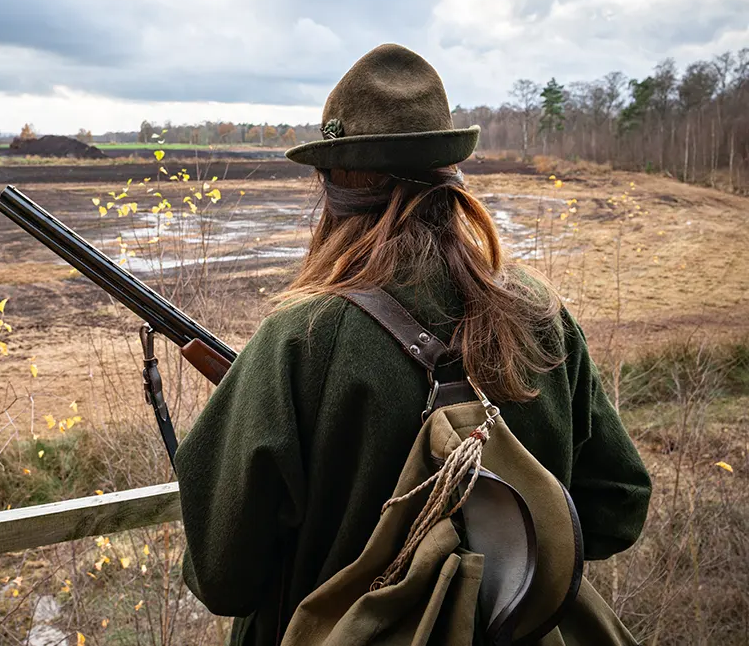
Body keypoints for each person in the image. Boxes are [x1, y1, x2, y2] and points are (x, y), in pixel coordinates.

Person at [174, 44, 651, 645]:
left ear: (334, 186)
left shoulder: (300, 338)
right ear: (451, 171)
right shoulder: (540, 313)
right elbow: (616, 508)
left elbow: (223, 579)